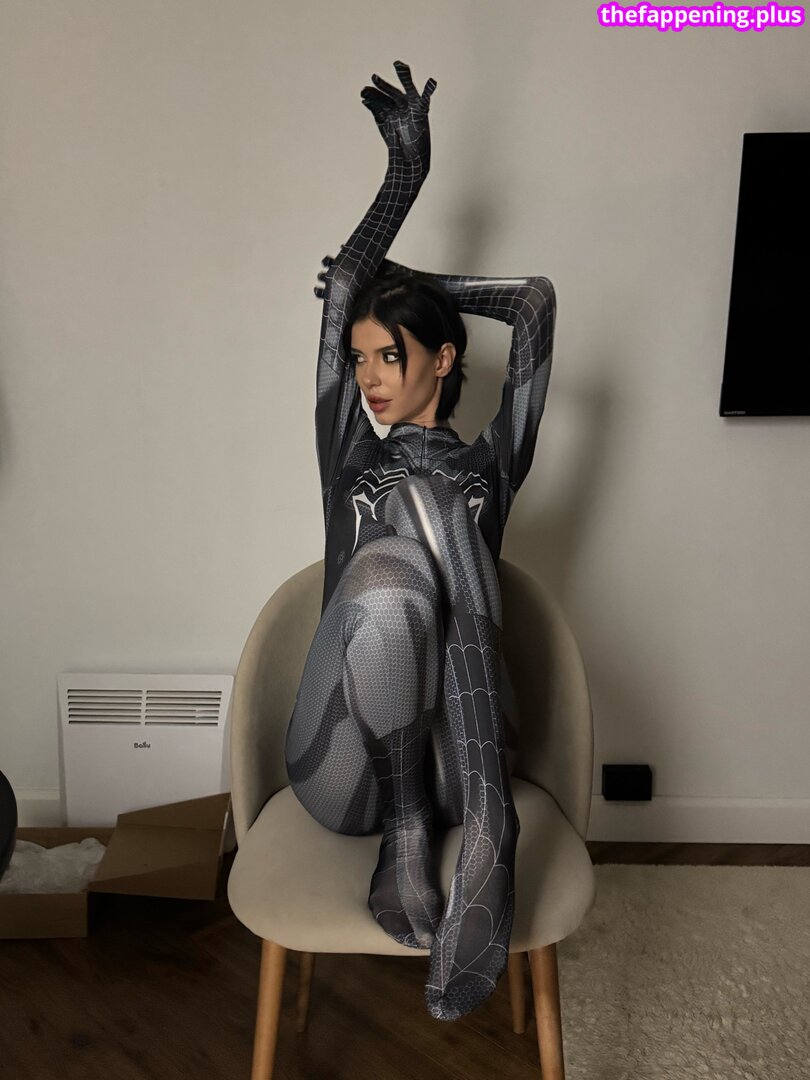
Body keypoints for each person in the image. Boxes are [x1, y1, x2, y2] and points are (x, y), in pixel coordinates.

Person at [284, 60, 556, 1022]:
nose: (366, 376)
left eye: (388, 354)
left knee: (443, 494)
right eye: (358, 359)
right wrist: (405, 177)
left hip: (445, 756)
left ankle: (459, 823)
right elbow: (344, 295)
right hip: (345, 764)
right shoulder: (350, 453)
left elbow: (534, 303)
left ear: (442, 358)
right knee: (396, 566)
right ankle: (486, 825)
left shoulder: (491, 464)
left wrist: (410, 284)